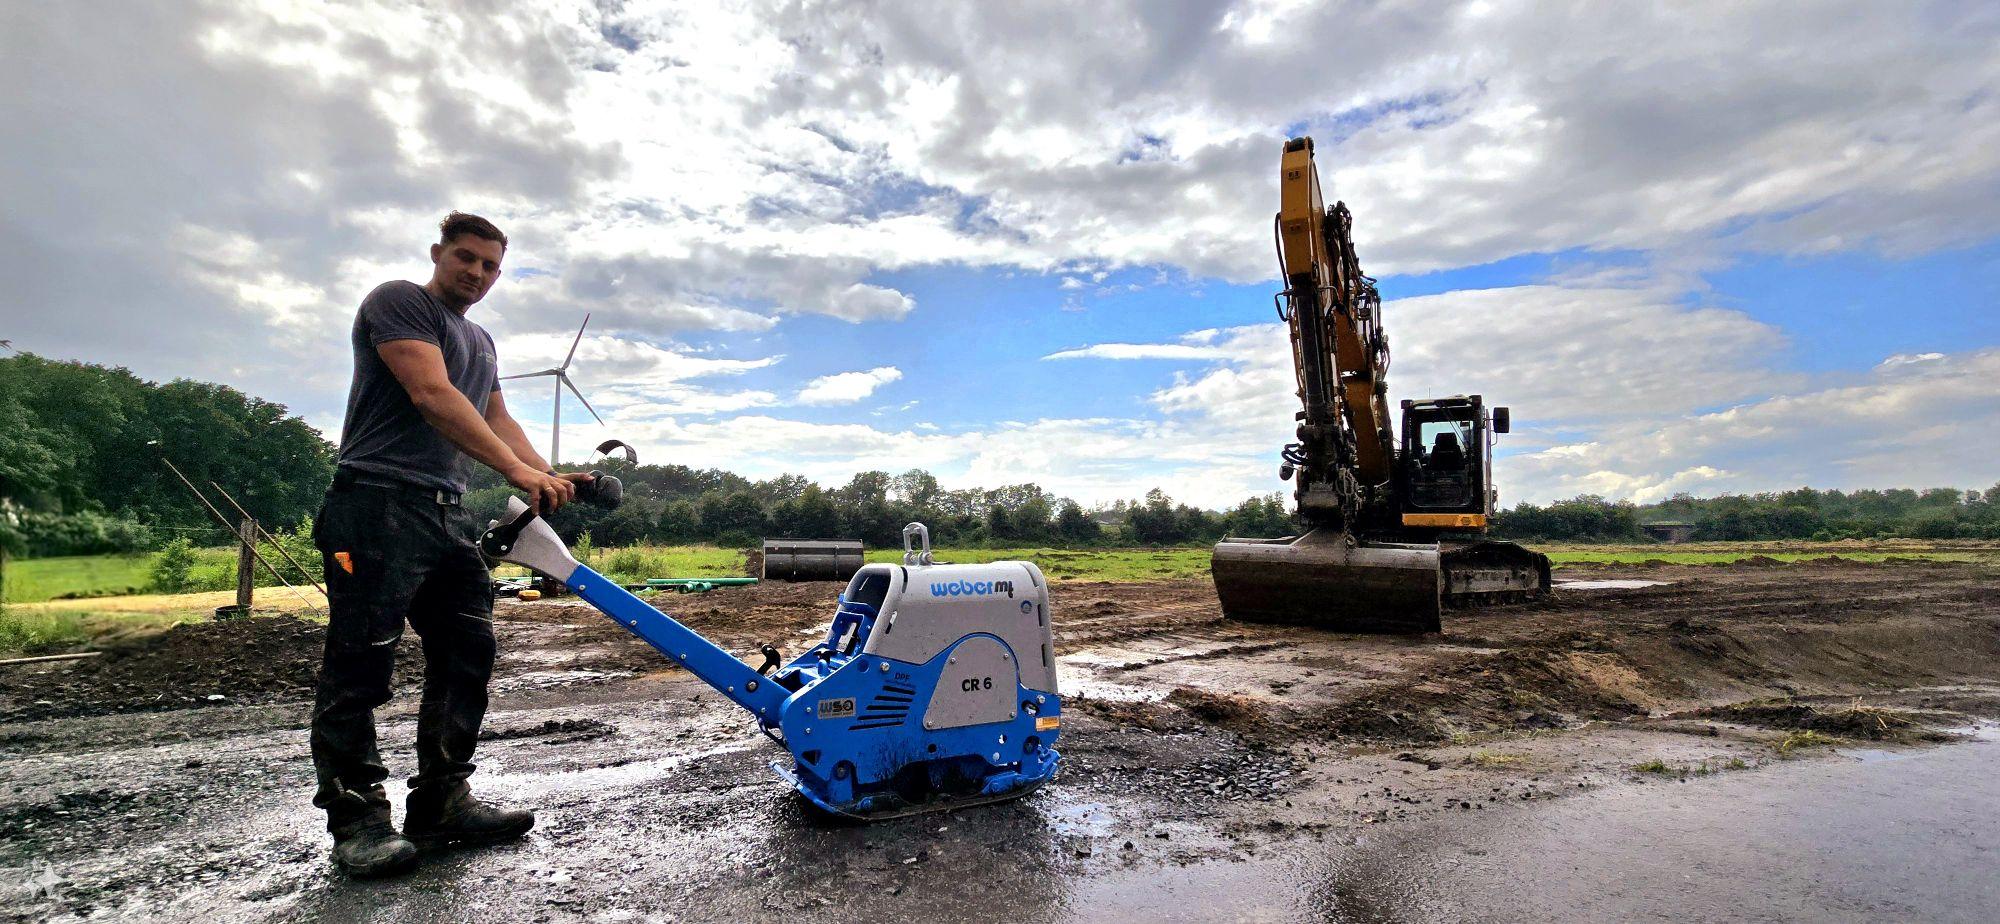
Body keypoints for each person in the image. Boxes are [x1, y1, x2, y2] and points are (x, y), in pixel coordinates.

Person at [311, 212, 590, 877]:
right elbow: (431, 393)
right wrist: (515, 472)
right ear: (438, 252)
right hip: (373, 504)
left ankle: (440, 802)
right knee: (360, 665)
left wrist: (544, 471)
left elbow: (495, 415)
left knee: (469, 649)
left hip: (444, 513)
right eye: (466, 258)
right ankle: (358, 822)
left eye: (491, 265)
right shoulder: (400, 302)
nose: (477, 273)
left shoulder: (480, 338)